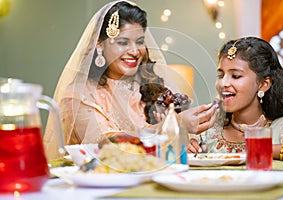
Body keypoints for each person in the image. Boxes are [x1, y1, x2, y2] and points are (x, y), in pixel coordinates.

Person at [43, 0, 218, 160]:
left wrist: (185, 141)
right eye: (123, 42)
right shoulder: (79, 95)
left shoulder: (151, 87)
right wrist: (171, 127)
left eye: (140, 41)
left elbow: (173, 147)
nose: (135, 51)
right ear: (99, 44)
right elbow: (108, 147)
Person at [188, 36, 283, 160]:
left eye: (235, 76)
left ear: (263, 84)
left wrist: (259, 149)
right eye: (220, 75)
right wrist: (185, 149)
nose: (223, 83)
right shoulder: (207, 134)